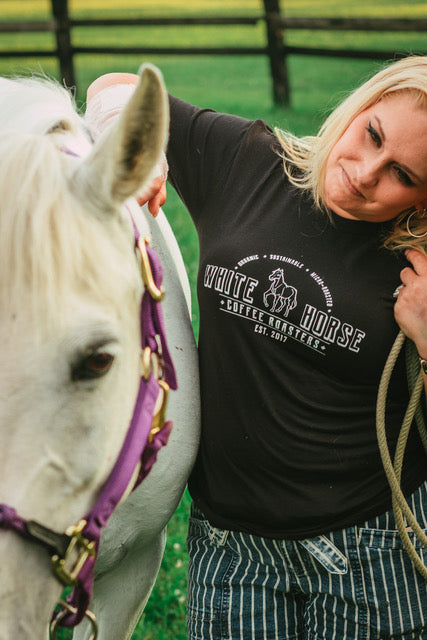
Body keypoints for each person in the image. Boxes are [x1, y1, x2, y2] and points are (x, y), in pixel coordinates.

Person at [86, 56, 427, 640]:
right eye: (372, 135)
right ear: (362, 104)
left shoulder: (418, 268)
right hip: (230, 549)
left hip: (368, 551)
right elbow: (115, 86)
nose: (367, 172)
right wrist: (131, 140)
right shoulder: (248, 161)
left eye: (403, 175)